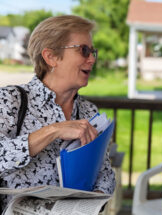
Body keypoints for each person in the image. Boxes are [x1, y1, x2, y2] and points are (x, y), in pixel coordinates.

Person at [0, 15, 115, 211]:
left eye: (92, 51)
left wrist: (91, 203)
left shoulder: (89, 112)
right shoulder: (10, 100)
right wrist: (53, 130)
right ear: (51, 57)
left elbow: (104, 174)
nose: (92, 59)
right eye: (83, 50)